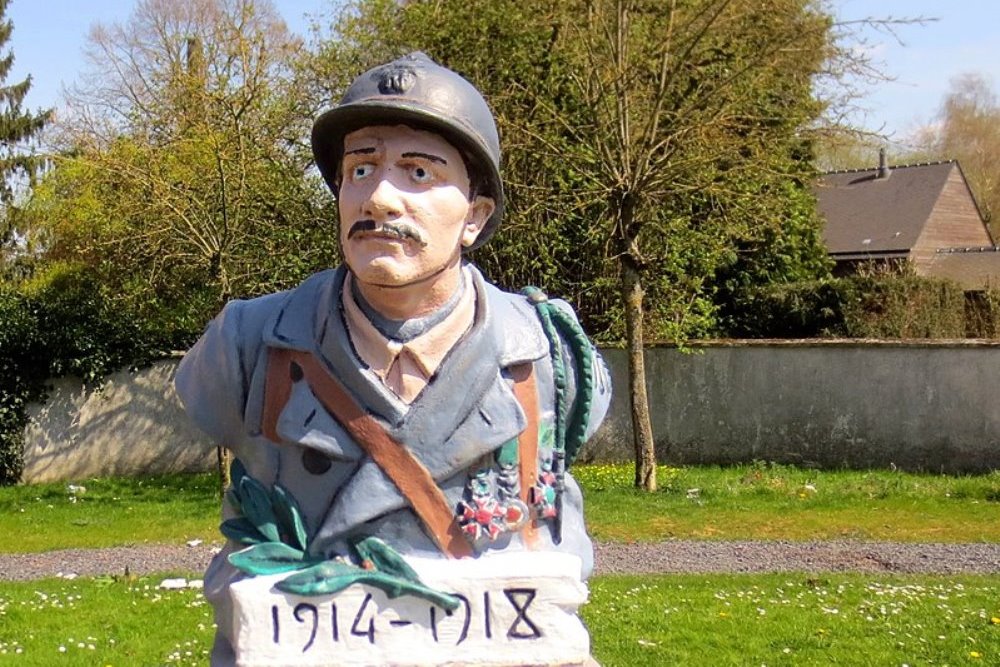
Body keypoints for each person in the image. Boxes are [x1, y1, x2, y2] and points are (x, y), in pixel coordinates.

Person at [175, 52, 611, 664]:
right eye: (360, 168)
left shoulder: (550, 352)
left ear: (475, 217)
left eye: (418, 172)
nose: (378, 196)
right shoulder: (245, 344)